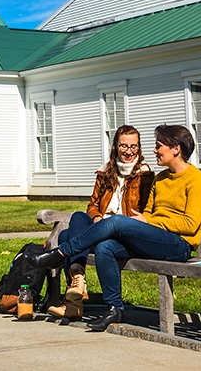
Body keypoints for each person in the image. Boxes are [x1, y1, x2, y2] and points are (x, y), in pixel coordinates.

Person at [28, 124, 201, 331]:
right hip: (154, 238)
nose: (154, 150)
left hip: (178, 245)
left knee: (117, 222)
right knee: (106, 247)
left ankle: (61, 252)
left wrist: (147, 222)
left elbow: (190, 224)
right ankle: (114, 308)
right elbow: (149, 212)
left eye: (159, 146)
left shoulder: (197, 181)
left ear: (175, 148)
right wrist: (146, 220)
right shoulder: (161, 179)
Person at [47, 125, 154, 320]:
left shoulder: (146, 175)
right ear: (115, 146)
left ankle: (74, 300)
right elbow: (93, 206)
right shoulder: (105, 173)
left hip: (124, 234)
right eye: (123, 146)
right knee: (79, 218)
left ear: (139, 147)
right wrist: (96, 218)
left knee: (65, 236)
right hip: (101, 230)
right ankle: (78, 281)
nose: (129, 151)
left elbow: (147, 211)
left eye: (134, 146)